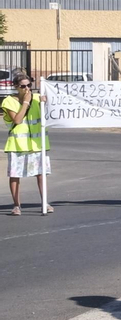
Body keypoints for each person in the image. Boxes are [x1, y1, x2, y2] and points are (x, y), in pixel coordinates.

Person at [3, 74, 51, 216]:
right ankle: (17, 205)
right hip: (18, 144)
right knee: (15, 174)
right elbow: (17, 120)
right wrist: (25, 102)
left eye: (29, 85)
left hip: (36, 144)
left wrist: (44, 102)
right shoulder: (8, 101)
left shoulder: (37, 98)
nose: (27, 88)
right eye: (23, 86)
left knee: (41, 174)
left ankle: (45, 202)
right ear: (16, 87)